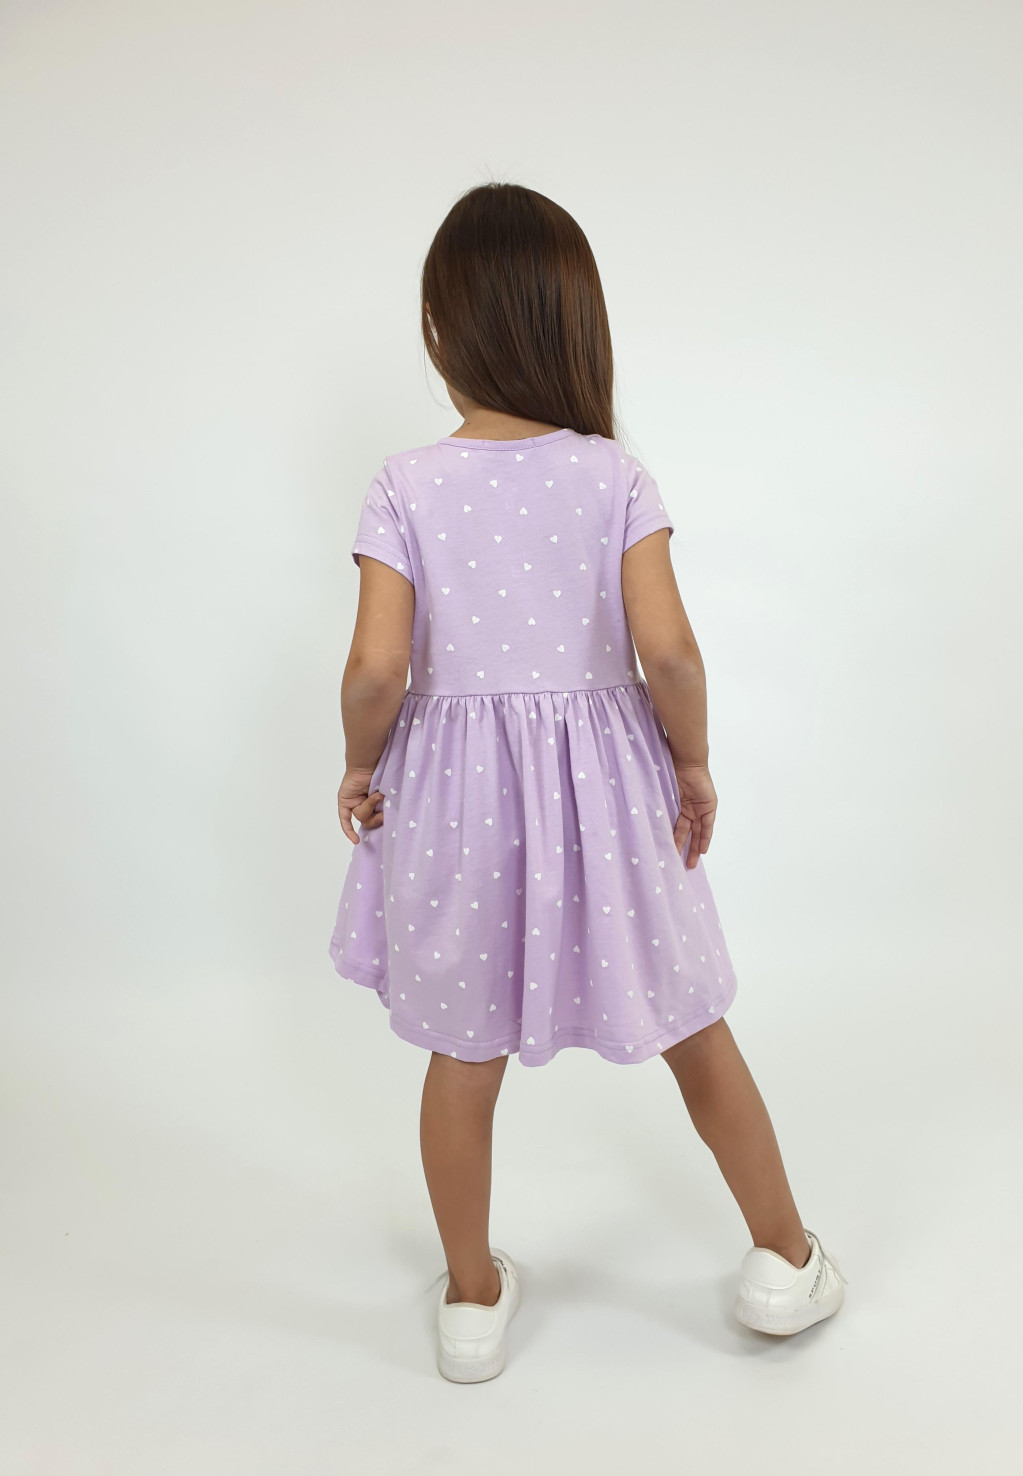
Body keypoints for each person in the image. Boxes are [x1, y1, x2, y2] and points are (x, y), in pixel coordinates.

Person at [329, 181, 847, 1382]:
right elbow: (671, 653)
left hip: (454, 805)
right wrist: (692, 760)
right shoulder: (613, 476)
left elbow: (376, 667)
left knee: (462, 1054)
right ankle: (785, 1258)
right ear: (575, 326)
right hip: (609, 802)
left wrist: (359, 761)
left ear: (440, 330)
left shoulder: (405, 484)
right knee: (693, 1026)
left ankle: (470, 1303)